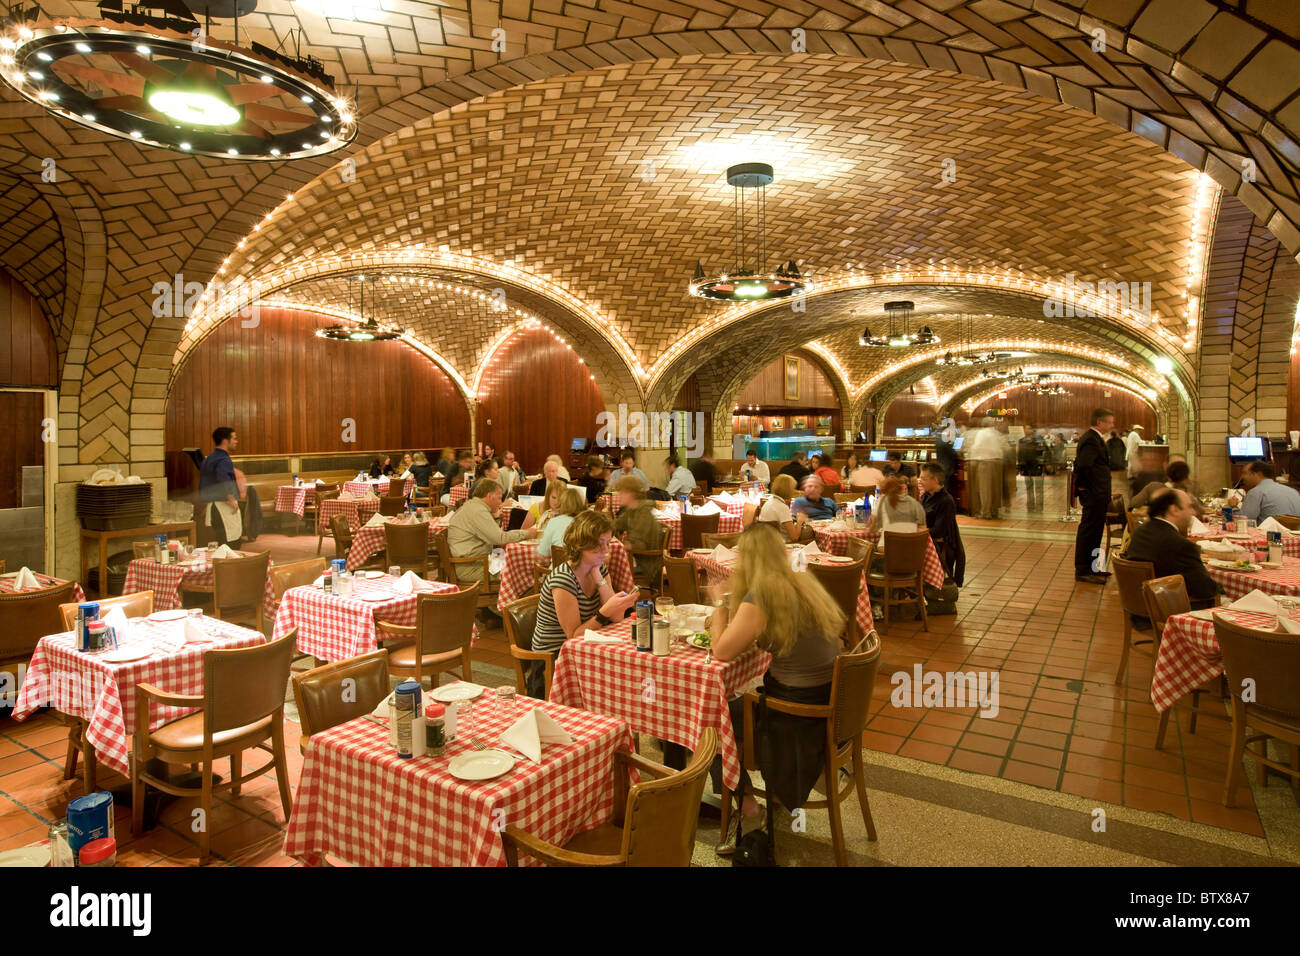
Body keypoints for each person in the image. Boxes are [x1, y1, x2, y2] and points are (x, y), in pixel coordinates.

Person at [707, 522, 846, 849]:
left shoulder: (763, 593)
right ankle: (772, 798)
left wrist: (719, 603)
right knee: (741, 698)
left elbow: (721, 651)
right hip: (826, 704)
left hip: (793, 715)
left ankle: (750, 808)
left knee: (712, 720)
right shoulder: (801, 579)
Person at [530, 510, 638, 698]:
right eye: (598, 546)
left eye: (607, 543)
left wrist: (599, 579)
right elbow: (572, 636)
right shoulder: (563, 580)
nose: (605, 551)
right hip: (553, 658)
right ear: (581, 545)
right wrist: (604, 612)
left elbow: (617, 617)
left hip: (584, 648)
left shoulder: (598, 568)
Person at [1124, 489, 1222, 610]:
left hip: (1140, 608)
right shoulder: (1181, 545)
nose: (1194, 512)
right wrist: (1222, 589)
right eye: (1190, 507)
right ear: (1174, 509)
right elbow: (1206, 590)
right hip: (1171, 614)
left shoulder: (1140, 531)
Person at [446, 478, 537, 587]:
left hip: (473, 562)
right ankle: (507, 602)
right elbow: (500, 538)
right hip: (472, 568)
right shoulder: (478, 512)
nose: (500, 503)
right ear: (489, 496)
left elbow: (492, 535)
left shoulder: (472, 506)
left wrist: (496, 517)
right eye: (499, 498)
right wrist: (527, 533)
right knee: (521, 570)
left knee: (514, 560)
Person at [1074, 408, 1115, 584]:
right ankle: (1083, 569)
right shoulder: (1090, 440)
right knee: (1089, 531)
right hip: (1093, 494)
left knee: (1097, 531)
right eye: (1110, 422)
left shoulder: (1096, 438)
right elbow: (1084, 466)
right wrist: (1083, 489)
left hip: (1098, 493)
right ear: (1100, 422)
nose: (1112, 425)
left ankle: (1094, 567)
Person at [612, 476, 666, 584]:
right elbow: (615, 526)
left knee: (608, 563)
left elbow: (640, 545)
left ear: (631, 493)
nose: (619, 495)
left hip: (647, 563)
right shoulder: (632, 510)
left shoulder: (643, 513)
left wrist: (621, 545)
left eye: (622, 492)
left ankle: (621, 596)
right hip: (638, 557)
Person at [920, 463, 964, 586]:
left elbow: (938, 531)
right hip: (923, 537)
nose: (921, 482)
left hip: (936, 544)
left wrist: (920, 530)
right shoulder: (926, 496)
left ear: (935, 480)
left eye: (924, 479)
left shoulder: (946, 501)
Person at [199, 426, 242, 547]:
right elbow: (224, 479)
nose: (236, 441)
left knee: (220, 541)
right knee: (231, 544)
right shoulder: (223, 459)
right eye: (234, 438)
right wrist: (231, 498)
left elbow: (204, 485)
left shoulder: (208, 459)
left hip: (212, 507)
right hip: (223, 507)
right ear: (225, 441)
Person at [963, 418, 1005, 520]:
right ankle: (994, 511)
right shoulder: (996, 433)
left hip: (984, 462)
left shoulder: (982, 433)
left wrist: (968, 454)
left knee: (984, 489)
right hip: (997, 462)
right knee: (995, 489)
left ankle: (985, 513)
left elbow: (977, 447)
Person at [1130, 460, 1205, 517]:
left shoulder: (1153, 486)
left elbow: (1134, 503)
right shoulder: (1186, 493)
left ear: (1168, 476)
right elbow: (1201, 512)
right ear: (1186, 478)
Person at [536, 487, 587, 562]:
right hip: (585, 572)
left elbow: (541, 555)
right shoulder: (588, 523)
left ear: (563, 503)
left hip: (558, 571)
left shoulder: (554, 522)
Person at [758, 473, 810, 542]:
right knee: (809, 533)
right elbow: (794, 537)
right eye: (793, 488)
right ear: (788, 490)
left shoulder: (769, 501)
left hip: (767, 541)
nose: (794, 491)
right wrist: (799, 521)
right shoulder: (781, 507)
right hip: (782, 544)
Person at [1017, 427, 1046, 512]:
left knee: (1039, 489)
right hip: (1026, 467)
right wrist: (1020, 466)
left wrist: (1043, 464)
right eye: (1025, 428)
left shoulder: (1039, 440)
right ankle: (1030, 507)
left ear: (1033, 430)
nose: (1026, 430)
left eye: (1029, 428)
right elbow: (1020, 454)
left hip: (1037, 466)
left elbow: (1044, 452)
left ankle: (1039, 508)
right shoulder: (1021, 441)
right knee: (1029, 488)